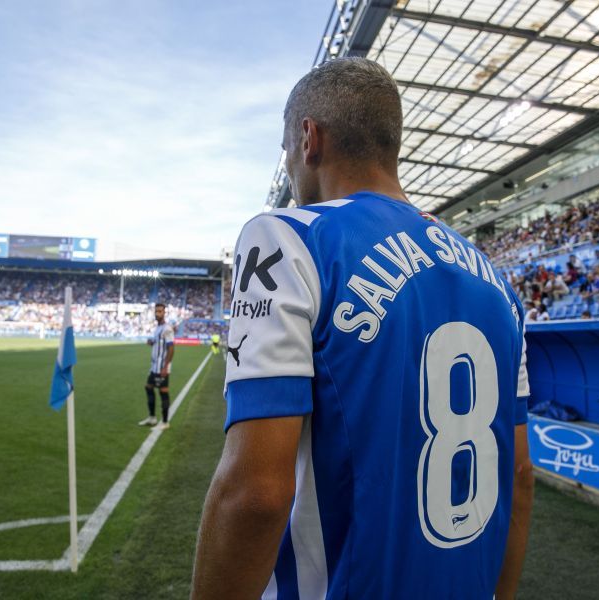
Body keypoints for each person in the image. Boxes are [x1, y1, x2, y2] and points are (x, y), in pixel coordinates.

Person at [192, 58, 533, 600]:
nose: (289, 169)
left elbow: (255, 493)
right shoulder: (498, 283)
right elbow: (518, 477)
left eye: (285, 152)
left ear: (309, 139)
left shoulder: (287, 238)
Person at [139, 303, 174, 429]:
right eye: (156, 311)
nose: (157, 313)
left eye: (160, 311)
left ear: (164, 313)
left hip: (162, 367)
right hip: (154, 367)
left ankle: (165, 422)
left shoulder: (167, 328)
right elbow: (159, 343)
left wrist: (166, 366)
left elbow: (171, 348)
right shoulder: (158, 328)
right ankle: (152, 418)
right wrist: (152, 342)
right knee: (148, 387)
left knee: (163, 392)